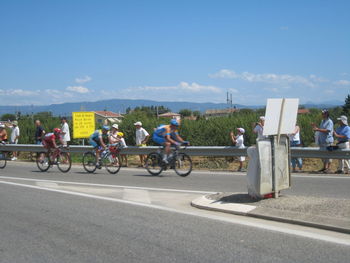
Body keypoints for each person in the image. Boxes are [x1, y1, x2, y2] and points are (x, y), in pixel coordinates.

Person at [311, 109, 334, 173]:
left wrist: (318, 129)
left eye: (323, 113)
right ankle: (324, 167)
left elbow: (327, 130)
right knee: (323, 155)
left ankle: (328, 168)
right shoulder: (322, 121)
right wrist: (315, 127)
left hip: (327, 141)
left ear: (326, 114)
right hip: (322, 141)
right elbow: (321, 129)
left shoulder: (330, 121)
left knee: (328, 155)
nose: (322, 114)